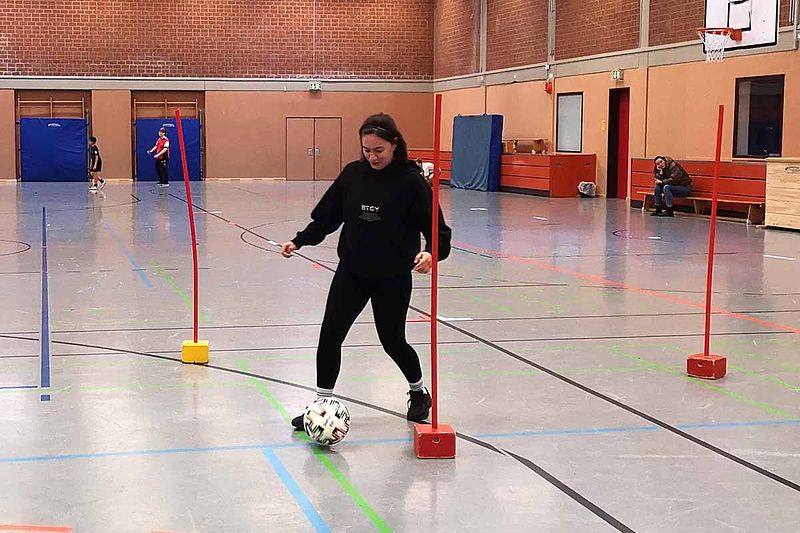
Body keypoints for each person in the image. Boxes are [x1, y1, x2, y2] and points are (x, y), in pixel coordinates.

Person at [281, 113, 452, 429]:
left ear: (394, 145)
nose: (372, 157)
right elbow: (327, 218)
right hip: (352, 273)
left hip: (393, 276)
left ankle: (418, 392)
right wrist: (300, 240)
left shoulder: (411, 182)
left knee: (392, 340)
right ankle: (320, 408)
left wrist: (430, 253)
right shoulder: (353, 175)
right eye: (367, 150)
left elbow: (437, 230)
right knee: (330, 336)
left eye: (379, 151)